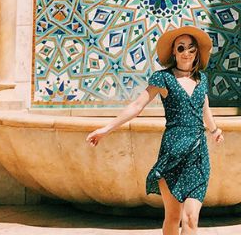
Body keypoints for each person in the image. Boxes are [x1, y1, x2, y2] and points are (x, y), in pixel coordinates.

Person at [87, 26, 225, 235]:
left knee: (191, 218)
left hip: (198, 155)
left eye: (191, 48)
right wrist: (106, 129)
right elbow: (137, 105)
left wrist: (214, 130)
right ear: (174, 53)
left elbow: (204, 107)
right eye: (181, 48)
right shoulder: (163, 78)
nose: (186, 53)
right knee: (173, 217)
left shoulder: (201, 79)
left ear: (197, 52)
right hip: (172, 154)